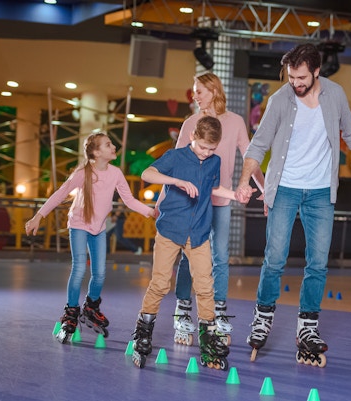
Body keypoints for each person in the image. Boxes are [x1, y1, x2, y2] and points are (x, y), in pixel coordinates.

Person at [234, 43, 351, 367]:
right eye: (291, 77)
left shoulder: (335, 95)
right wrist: (244, 181)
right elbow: (258, 145)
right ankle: (262, 318)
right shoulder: (279, 100)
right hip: (284, 189)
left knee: (318, 263)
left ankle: (308, 328)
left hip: (320, 193)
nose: (295, 83)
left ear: (317, 72)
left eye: (301, 77)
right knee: (274, 259)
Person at [130, 116, 252, 370]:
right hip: (170, 230)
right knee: (160, 283)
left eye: (212, 149)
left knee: (206, 286)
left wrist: (235, 194)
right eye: (203, 147)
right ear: (192, 137)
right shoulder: (176, 157)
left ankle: (208, 340)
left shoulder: (214, 161)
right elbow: (146, 173)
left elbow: (212, 188)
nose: (207, 153)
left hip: (198, 233)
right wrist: (176, 181)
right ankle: (143, 332)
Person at [24, 131, 155, 344]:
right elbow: (60, 193)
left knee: (100, 273)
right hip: (78, 225)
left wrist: (150, 212)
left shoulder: (115, 173)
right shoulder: (83, 173)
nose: (113, 147)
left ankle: (91, 307)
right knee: (79, 269)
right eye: (107, 144)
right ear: (96, 152)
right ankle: (71, 312)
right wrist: (39, 216)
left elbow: (129, 200)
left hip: (99, 228)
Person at [170, 72, 265, 347]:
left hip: (222, 200)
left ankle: (219, 309)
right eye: (194, 91)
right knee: (190, 255)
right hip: (193, 202)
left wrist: (265, 187)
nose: (195, 96)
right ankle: (183, 309)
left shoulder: (234, 122)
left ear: (213, 90)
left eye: (199, 90)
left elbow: (251, 157)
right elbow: (177, 163)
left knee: (221, 256)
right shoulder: (190, 122)